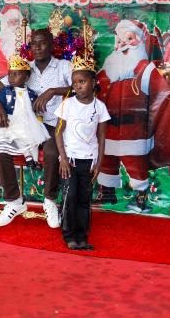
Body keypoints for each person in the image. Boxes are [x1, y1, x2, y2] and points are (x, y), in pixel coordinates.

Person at [0, 27, 72, 228]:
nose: (38, 47)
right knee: (1, 151)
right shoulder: (24, 68)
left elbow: (81, 87)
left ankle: (50, 202)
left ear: (51, 45)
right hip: (24, 126)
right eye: (34, 43)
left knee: (51, 152)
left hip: (53, 124)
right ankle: (15, 202)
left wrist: (53, 91)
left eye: (42, 43)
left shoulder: (63, 67)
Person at [95, 19, 170, 212]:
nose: (123, 44)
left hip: (133, 131)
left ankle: (140, 197)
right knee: (107, 160)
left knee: (134, 163)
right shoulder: (109, 66)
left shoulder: (146, 69)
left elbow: (163, 92)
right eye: (120, 40)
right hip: (108, 128)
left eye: (129, 38)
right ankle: (107, 193)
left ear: (140, 41)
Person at [55, 60, 110, 250]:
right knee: (70, 197)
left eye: (82, 81)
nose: (77, 86)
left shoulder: (100, 107)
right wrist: (62, 157)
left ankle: (82, 236)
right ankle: (69, 235)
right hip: (69, 160)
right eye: (75, 82)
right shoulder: (67, 104)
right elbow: (58, 132)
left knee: (84, 199)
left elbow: (102, 136)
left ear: (93, 82)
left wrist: (99, 163)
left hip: (89, 159)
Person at [0, 54, 50, 171]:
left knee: (34, 141)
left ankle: (35, 161)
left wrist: (39, 119)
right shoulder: (6, 91)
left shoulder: (32, 93)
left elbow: (36, 108)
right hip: (12, 120)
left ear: (27, 77)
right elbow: (0, 106)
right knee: (18, 136)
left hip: (28, 120)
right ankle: (28, 158)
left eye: (16, 74)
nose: (11, 78)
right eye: (10, 75)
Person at [0, 5, 30, 83]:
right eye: (11, 22)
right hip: (6, 80)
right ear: (6, 23)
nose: (14, 24)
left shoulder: (28, 36)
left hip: (28, 77)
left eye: (16, 21)